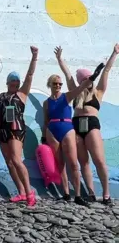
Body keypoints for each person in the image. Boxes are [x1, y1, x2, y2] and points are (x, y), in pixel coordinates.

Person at [55, 45, 118, 205]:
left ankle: (106, 194)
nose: (87, 82)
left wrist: (114, 53)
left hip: (91, 124)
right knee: (84, 162)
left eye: (88, 79)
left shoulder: (98, 92)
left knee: (99, 160)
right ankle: (90, 192)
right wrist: (60, 59)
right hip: (76, 126)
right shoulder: (76, 92)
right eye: (83, 80)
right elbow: (68, 75)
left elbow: (106, 71)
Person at [41, 62, 104, 206]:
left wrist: (94, 75)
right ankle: (66, 193)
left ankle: (78, 194)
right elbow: (46, 120)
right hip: (52, 129)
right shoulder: (46, 102)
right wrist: (44, 137)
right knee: (60, 163)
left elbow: (82, 87)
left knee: (73, 164)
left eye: (59, 84)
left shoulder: (67, 96)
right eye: (55, 84)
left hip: (67, 128)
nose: (58, 86)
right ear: (50, 85)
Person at [0, 46, 38, 206]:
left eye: (17, 80)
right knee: (9, 162)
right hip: (2, 130)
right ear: (7, 82)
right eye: (12, 80)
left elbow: (30, 75)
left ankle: (29, 192)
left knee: (17, 160)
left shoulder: (22, 94)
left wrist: (34, 57)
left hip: (16, 129)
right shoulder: (2, 96)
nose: (15, 82)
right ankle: (20, 192)